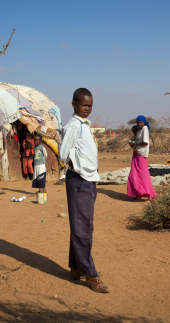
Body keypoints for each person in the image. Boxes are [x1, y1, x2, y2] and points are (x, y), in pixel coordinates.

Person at [59, 88, 109, 293]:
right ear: (74, 104)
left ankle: (75, 267)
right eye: (84, 105)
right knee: (83, 229)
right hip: (79, 180)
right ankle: (90, 274)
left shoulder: (83, 125)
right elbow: (63, 153)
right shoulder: (74, 125)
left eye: (90, 106)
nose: (87, 108)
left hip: (88, 180)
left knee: (81, 226)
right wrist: (75, 163)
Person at [127, 115, 157, 200]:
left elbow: (145, 143)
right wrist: (133, 145)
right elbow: (137, 140)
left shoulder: (144, 129)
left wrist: (134, 144)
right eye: (138, 122)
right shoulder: (138, 130)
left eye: (141, 122)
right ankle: (137, 192)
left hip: (142, 155)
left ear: (144, 123)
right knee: (134, 173)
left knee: (143, 174)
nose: (139, 124)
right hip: (137, 153)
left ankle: (148, 193)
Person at [32, 133, 48, 204]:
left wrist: (43, 161)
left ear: (40, 141)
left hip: (41, 165)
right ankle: (41, 190)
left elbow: (45, 154)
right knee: (37, 177)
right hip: (36, 165)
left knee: (41, 177)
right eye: (34, 141)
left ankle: (42, 190)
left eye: (37, 141)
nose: (35, 142)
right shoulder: (34, 148)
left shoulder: (42, 147)